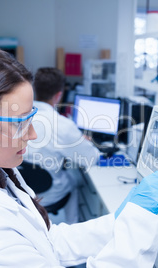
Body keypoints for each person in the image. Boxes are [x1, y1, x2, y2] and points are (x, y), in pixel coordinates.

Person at [0, 42, 158, 267]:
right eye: (19, 122)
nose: (32, 135)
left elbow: (47, 242)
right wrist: (135, 226)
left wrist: (118, 221)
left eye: (31, 116)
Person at [23, 67, 99, 224]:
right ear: (59, 95)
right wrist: (83, 141)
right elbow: (91, 158)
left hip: (24, 190)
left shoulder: (20, 116)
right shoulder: (63, 125)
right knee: (76, 180)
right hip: (48, 194)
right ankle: (73, 226)